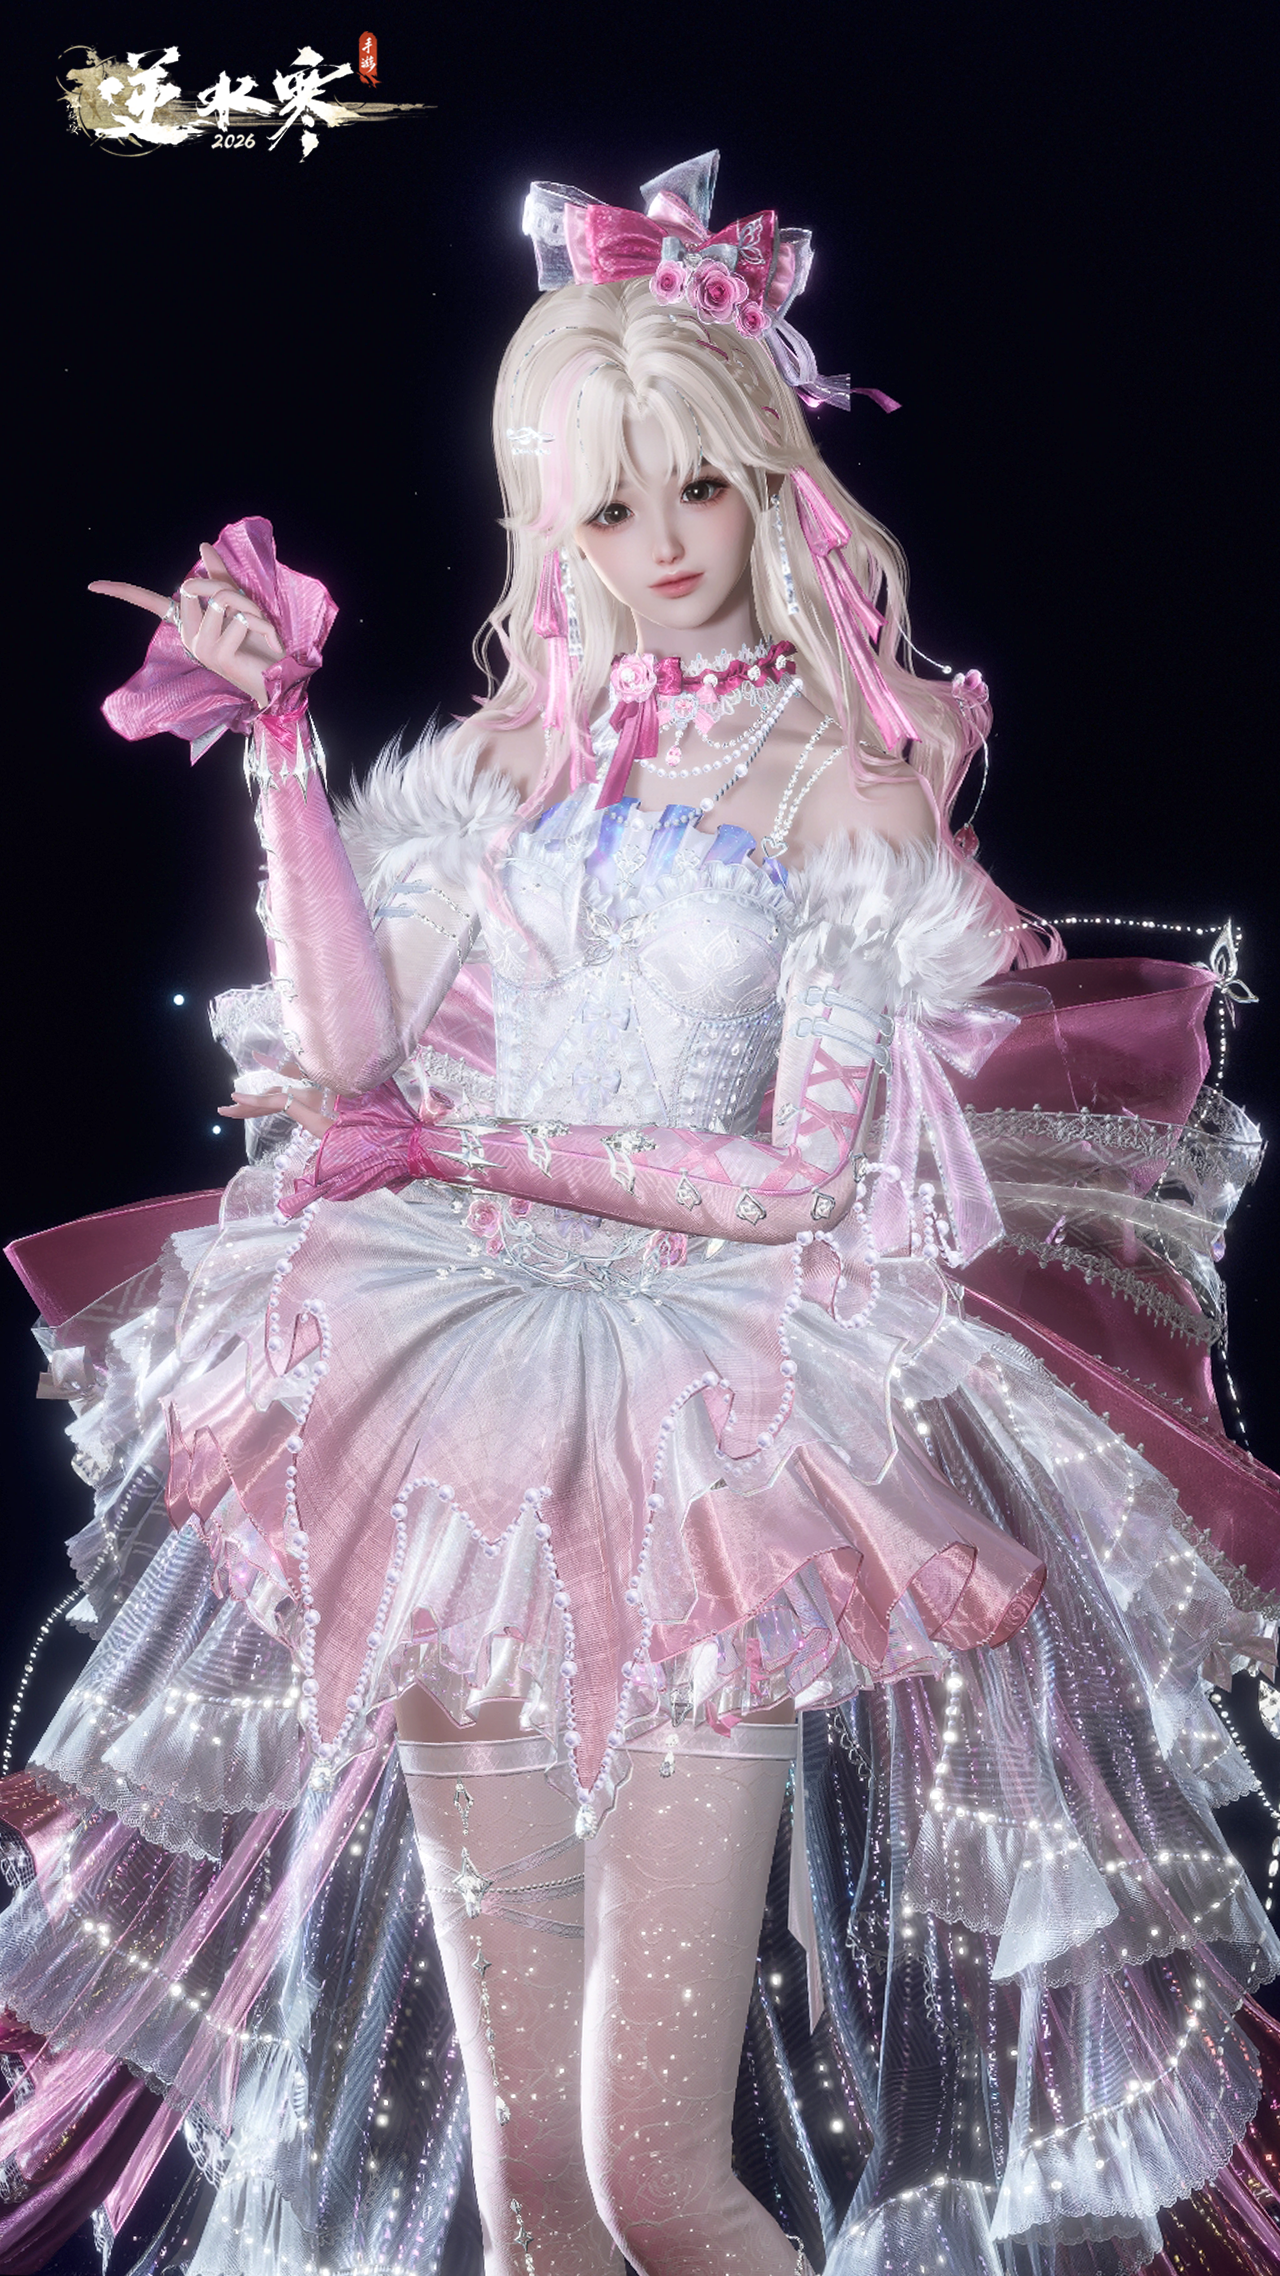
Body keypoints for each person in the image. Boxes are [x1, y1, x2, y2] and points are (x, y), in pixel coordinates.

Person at [1, 153, 1277, 2276]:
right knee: (530, 2198)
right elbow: (347, 1051)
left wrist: (461, 1154)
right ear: (548, 524)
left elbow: (797, 1179)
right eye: (609, 509)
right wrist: (286, 746)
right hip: (450, 1403)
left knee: (655, 2182)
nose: (666, 546)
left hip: (719, 1428)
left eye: (699, 488)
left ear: (771, 478)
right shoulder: (505, 765)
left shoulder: (848, 783)